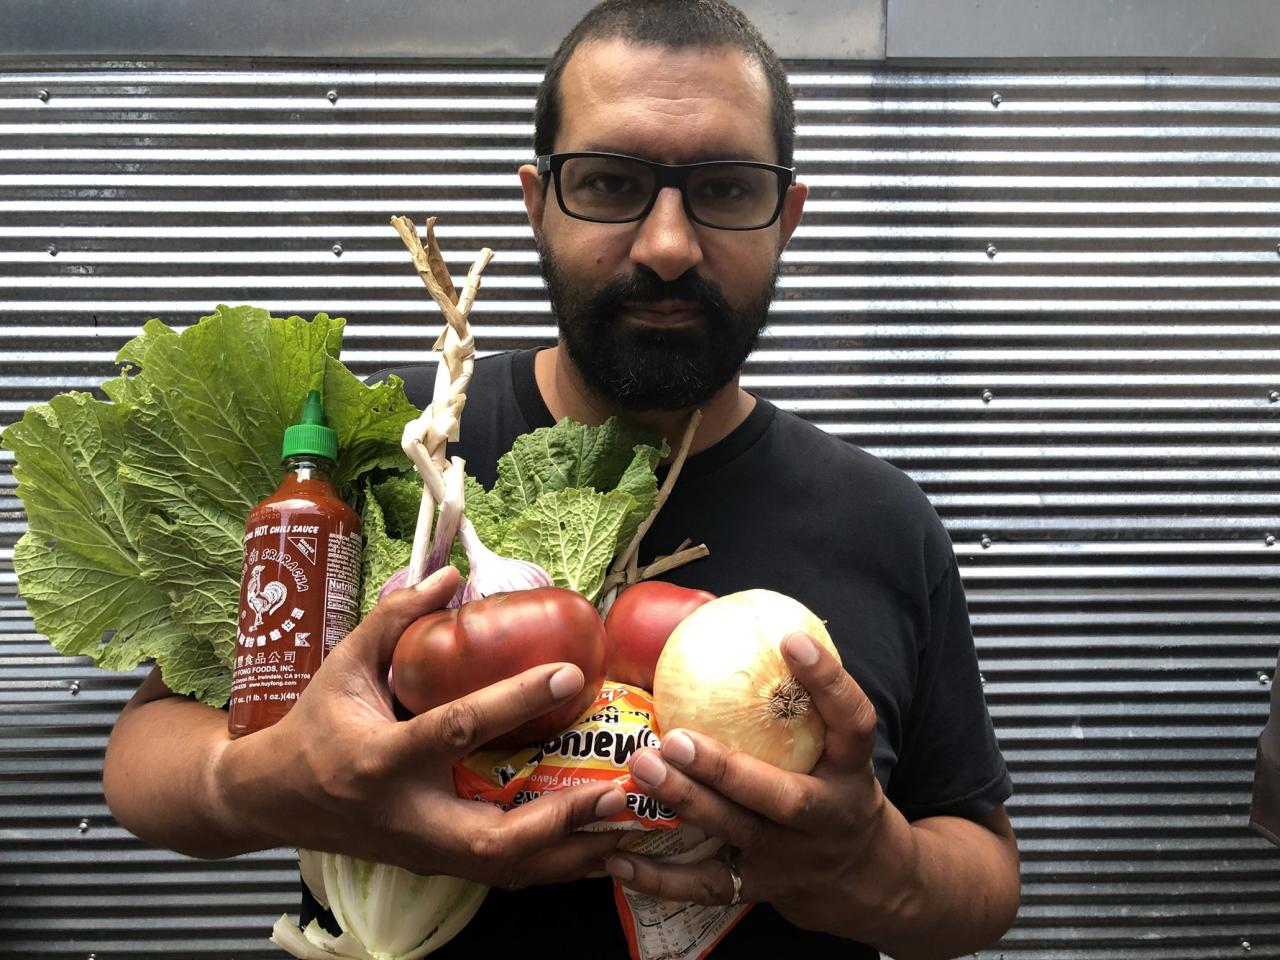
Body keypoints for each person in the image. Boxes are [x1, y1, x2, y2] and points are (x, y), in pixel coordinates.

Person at [102, 1, 1021, 957]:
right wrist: (265, 782)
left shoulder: (882, 518)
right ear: (536, 201)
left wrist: (875, 867)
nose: (668, 243)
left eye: (727, 189)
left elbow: (985, 877)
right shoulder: (389, 451)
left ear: (786, 216)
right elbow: (144, 758)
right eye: (611, 182)